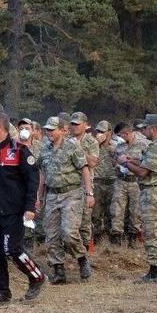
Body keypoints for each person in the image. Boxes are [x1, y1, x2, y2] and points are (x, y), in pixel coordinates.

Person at [0, 112, 46, 304]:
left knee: (12, 249)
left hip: (14, 211)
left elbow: (33, 179)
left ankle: (37, 276)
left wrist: (30, 206)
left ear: (1, 127)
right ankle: (2, 292)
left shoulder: (19, 150)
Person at [39, 116, 94, 284]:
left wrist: (89, 193)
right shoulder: (45, 149)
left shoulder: (72, 146)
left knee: (69, 232)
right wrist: (38, 197)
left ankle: (82, 258)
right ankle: (58, 270)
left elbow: (84, 169)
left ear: (62, 130)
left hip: (71, 194)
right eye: (47, 130)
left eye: (52, 129)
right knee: (52, 235)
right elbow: (42, 174)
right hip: (52, 195)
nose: (49, 132)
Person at [120, 114, 157, 283]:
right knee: (156, 232)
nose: (143, 131)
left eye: (145, 128)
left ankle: (154, 273)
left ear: (153, 128)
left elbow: (143, 172)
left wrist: (125, 163)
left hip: (153, 192)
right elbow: (146, 163)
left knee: (152, 233)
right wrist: (132, 160)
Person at [110, 122, 146, 247]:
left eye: (120, 135)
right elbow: (114, 161)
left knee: (136, 211)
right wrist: (117, 165)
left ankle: (133, 238)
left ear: (126, 133)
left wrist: (130, 162)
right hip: (121, 181)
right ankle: (116, 237)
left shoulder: (143, 145)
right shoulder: (119, 147)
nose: (119, 138)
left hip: (135, 182)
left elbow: (146, 163)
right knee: (116, 210)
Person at [69, 112, 100, 252]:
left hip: (84, 185)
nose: (74, 126)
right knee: (70, 220)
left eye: (77, 124)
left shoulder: (91, 141)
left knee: (85, 220)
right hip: (69, 185)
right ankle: (72, 250)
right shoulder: (66, 140)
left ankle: (86, 250)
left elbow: (92, 162)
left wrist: (77, 148)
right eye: (72, 124)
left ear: (85, 125)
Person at [91, 121, 115, 244]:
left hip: (112, 183)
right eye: (98, 131)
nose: (100, 133)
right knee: (96, 212)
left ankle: (110, 238)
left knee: (111, 212)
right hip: (97, 182)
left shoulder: (116, 146)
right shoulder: (93, 145)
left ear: (109, 132)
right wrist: (96, 143)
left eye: (102, 131)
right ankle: (96, 238)